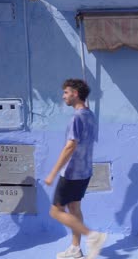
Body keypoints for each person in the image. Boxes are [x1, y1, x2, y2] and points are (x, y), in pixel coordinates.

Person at [45, 79, 106, 259]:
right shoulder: (90, 115)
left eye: (66, 92)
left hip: (71, 173)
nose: (63, 96)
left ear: (75, 94)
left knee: (55, 211)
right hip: (85, 171)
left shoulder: (76, 118)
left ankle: (93, 236)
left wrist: (53, 172)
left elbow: (70, 146)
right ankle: (75, 249)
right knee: (74, 208)